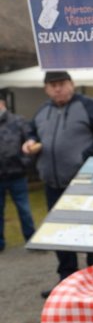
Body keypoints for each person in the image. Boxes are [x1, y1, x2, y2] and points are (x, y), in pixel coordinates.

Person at [22, 71, 93, 298]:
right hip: (53, 182)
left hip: (84, 183)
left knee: (92, 233)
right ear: (46, 89)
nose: (58, 89)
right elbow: (32, 132)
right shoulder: (43, 111)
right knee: (60, 234)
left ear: (71, 84)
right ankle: (66, 280)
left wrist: (85, 157)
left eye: (61, 84)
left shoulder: (88, 106)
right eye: (52, 86)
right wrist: (30, 142)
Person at [0, 93, 36, 252]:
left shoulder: (18, 121)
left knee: (24, 209)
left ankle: (32, 240)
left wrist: (24, 163)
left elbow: (30, 141)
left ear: (2, 103)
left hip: (17, 174)